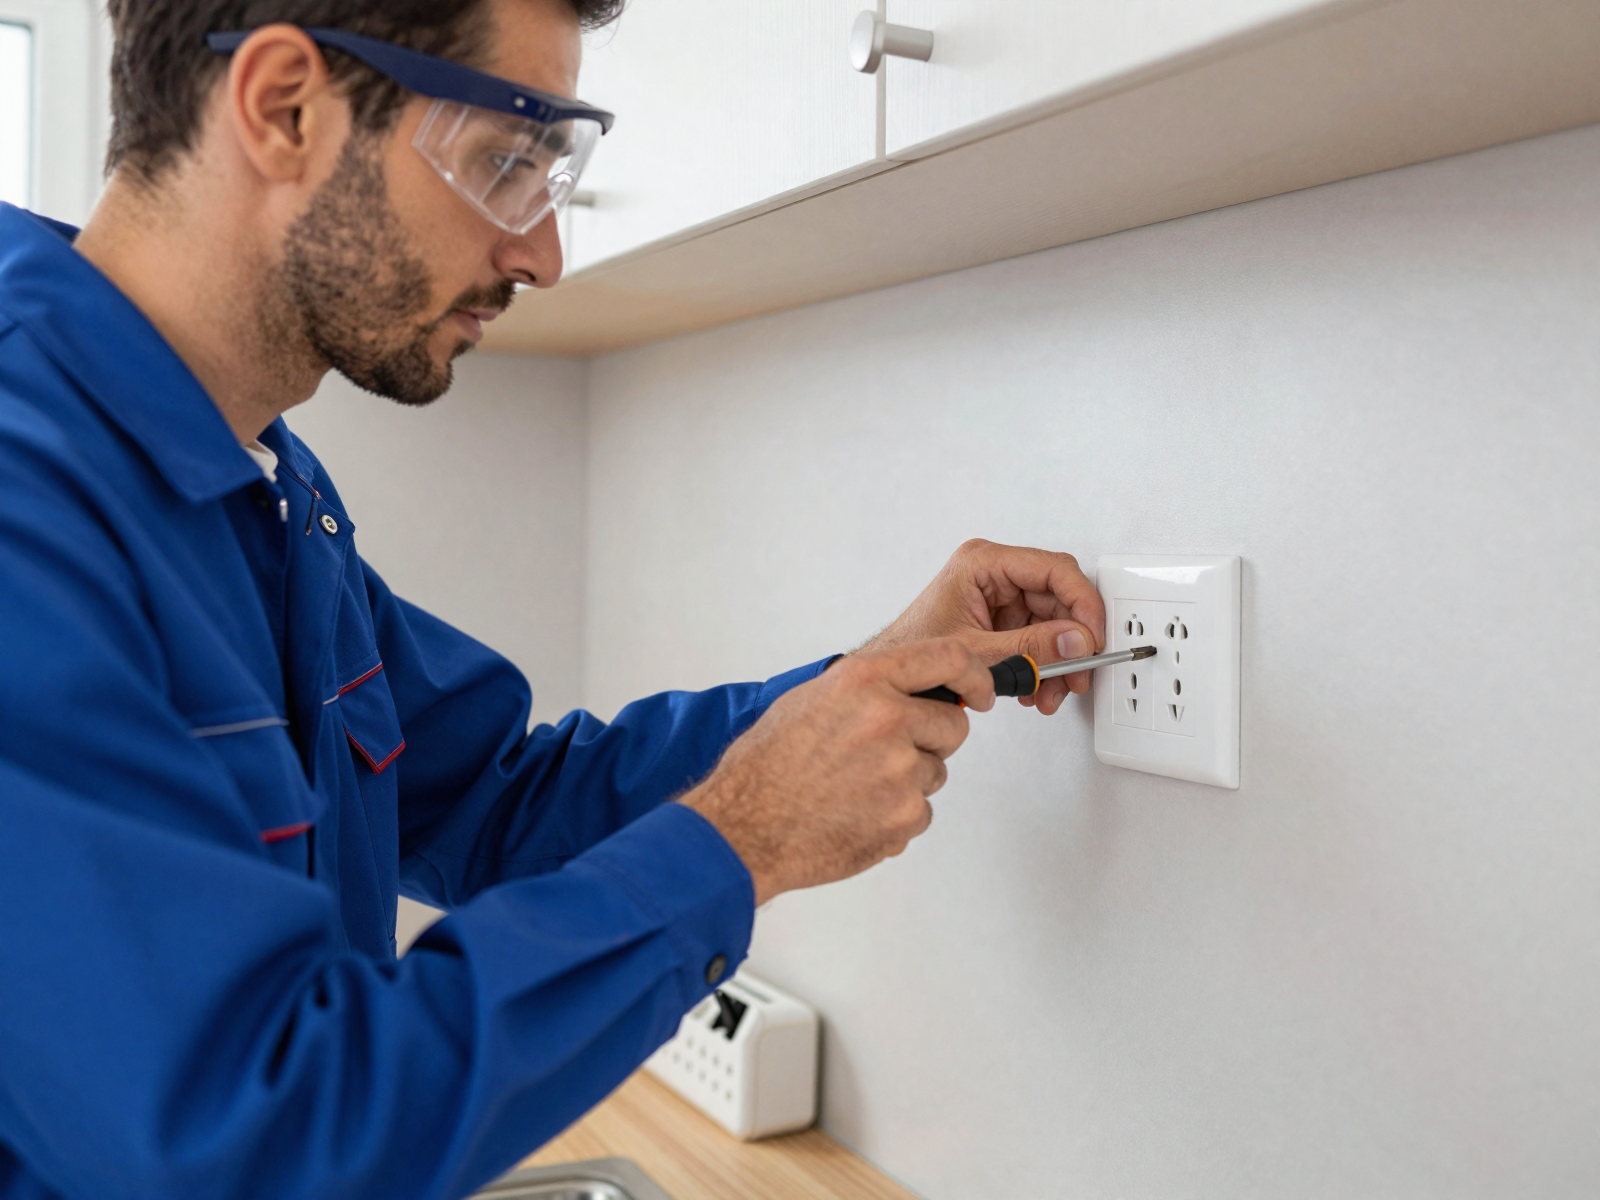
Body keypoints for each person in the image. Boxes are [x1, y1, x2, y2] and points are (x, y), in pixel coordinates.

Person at [0, 0, 1106, 1196]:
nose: (542, 255)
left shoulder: (263, 487)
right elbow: (254, 1143)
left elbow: (498, 801)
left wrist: (860, 686)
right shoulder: (29, 502)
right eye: (503, 162)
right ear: (284, 109)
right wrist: (743, 838)